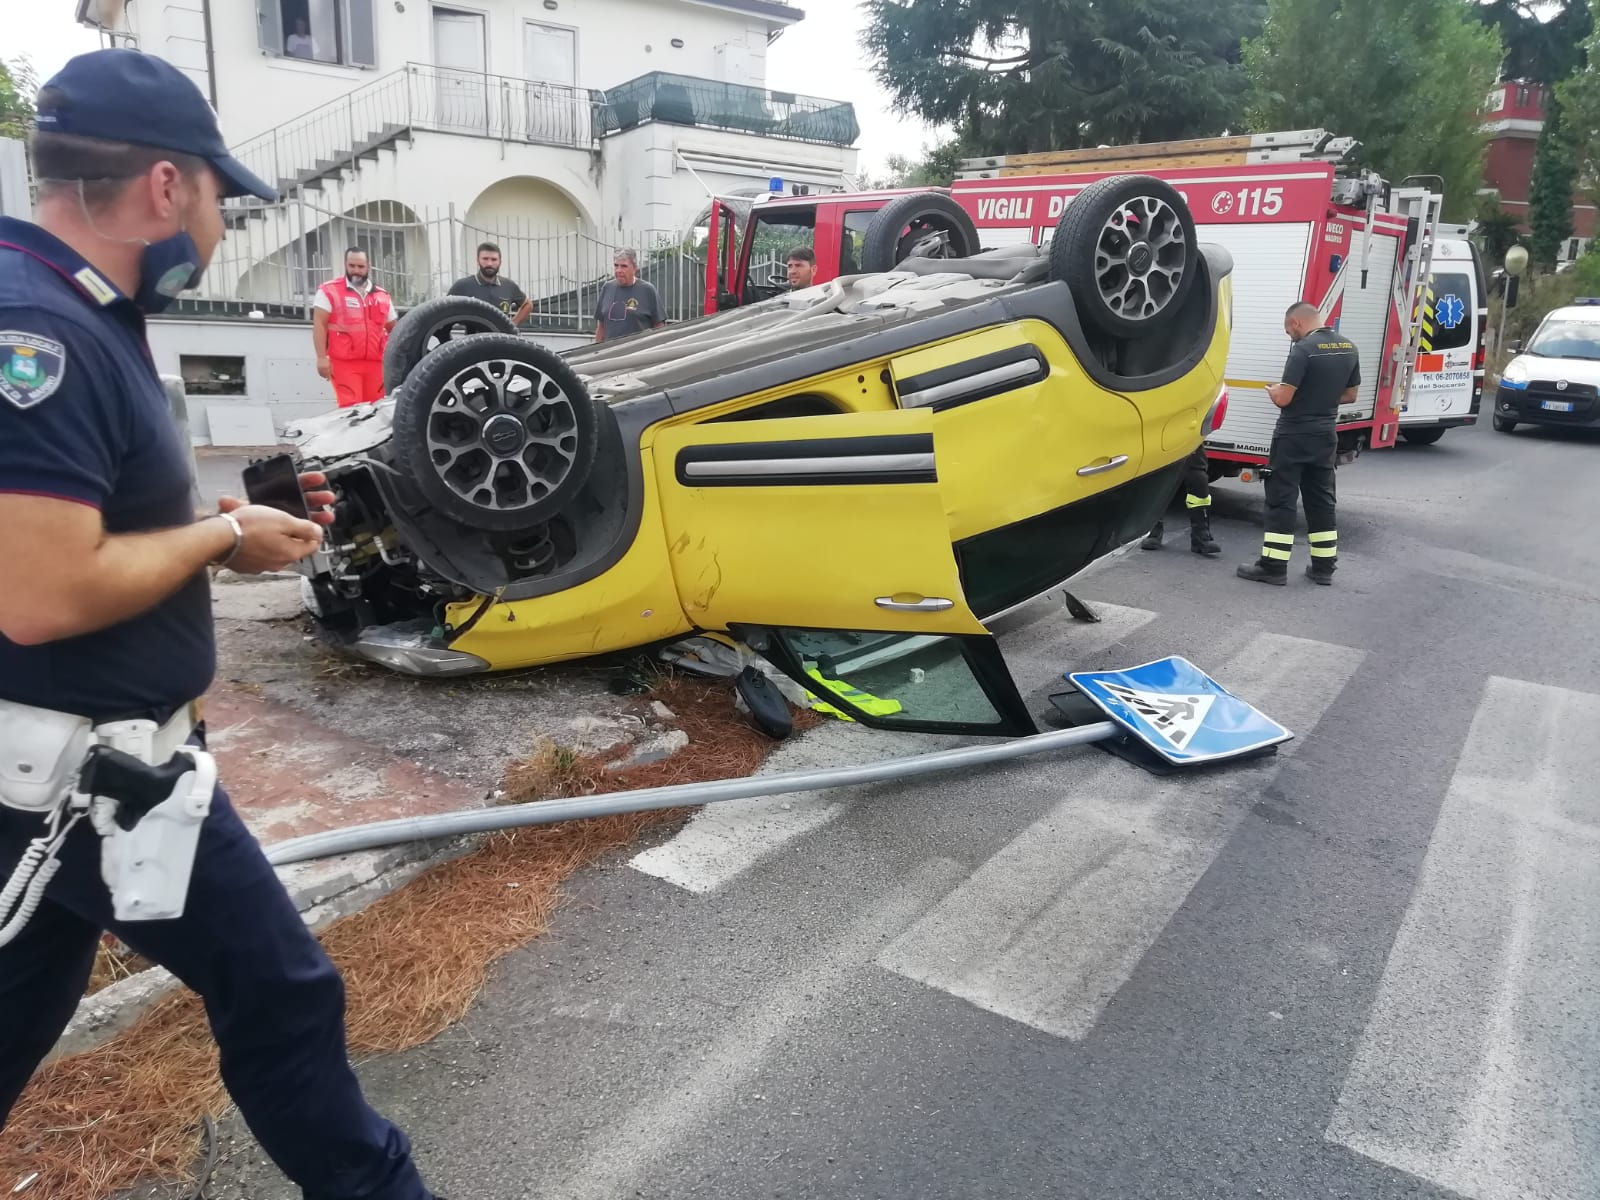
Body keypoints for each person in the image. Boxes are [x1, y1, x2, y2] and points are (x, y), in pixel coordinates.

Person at [0, 49, 445, 1200]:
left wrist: (233, 517)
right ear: (162, 186)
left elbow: (85, 522)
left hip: (85, 775)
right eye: (213, 194)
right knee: (283, 988)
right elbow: (41, 592)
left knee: (22, 1013)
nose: (215, 220)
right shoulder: (32, 331)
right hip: (89, 778)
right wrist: (217, 540)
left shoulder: (74, 309)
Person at [1237, 302, 1359, 587]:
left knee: (1281, 499)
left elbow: (1284, 399)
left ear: (1296, 323)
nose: (1290, 336)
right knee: (1322, 500)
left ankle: (1273, 567)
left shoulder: (1303, 350)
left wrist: (1273, 392)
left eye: (1288, 330)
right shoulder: (1348, 347)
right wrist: (1322, 399)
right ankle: (1324, 568)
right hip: (1325, 435)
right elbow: (1351, 396)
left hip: (1293, 436)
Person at [313, 245, 396, 408]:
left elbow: (395, 329)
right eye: (352, 266)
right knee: (351, 411)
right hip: (345, 365)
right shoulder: (329, 291)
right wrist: (321, 358)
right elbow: (319, 325)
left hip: (377, 365)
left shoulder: (382, 296)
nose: (356, 271)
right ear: (345, 265)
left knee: (377, 411)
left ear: (368, 267)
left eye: (360, 266)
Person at [1139, 445, 1221, 556]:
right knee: (1153, 477)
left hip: (1187, 433)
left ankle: (1201, 536)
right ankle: (1153, 531)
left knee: (1198, 478)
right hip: (1157, 433)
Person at [447, 241, 532, 326]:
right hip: (474, 338)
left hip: (501, 338)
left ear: (500, 262)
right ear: (477, 260)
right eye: (485, 259)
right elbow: (444, 311)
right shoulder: (462, 285)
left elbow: (527, 305)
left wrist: (513, 323)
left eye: (494, 259)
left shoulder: (509, 286)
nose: (489, 263)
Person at [593, 248, 663, 342]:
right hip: (610, 352)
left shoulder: (648, 290)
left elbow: (659, 326)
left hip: (637, 353)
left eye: (624, 266)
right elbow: (601, 326)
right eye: (616, 265)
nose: (618, 270)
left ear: (634, 268)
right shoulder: (607, 288)